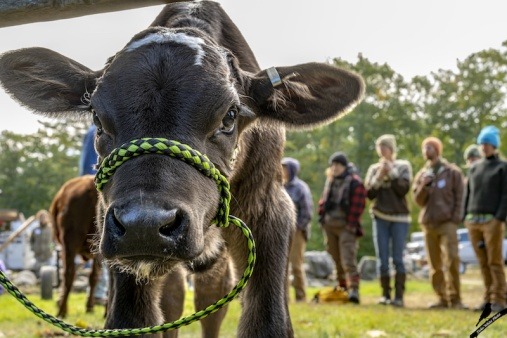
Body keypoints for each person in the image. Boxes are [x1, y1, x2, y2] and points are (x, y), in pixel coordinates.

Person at [412, 137, 466, 309]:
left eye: (430, 147)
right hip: (428, 223)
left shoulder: (452, 172)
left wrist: (456, 218)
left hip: (447, 222)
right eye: (424, 148)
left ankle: (455, 299)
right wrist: (424, 186)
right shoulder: (422, 174)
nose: (426, 150)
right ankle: (441, 298)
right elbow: (418, 201)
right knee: (435, 264)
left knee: (452, 260)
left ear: (437, 150)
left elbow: (460, 196)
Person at [364, 134, 412, 307]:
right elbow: (369, 193)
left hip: (400, 218)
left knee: (397, 258)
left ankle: (399, 296)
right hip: (380, 216)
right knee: (382, 258)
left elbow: (403, 190)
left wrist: (390, 172)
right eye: (379, 147)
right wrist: (379, 175)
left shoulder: (404, 166)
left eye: (384, 147)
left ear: (391, 149)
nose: (382, 151)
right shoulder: (373, 168)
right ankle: (385, 295)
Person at [463, 126, 507, 313]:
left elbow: (505, 195)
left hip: (492, 221)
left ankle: (499, 299)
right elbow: (468, 193)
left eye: (488, 143)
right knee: (482, 261)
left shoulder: (502, 167)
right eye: (482, 143)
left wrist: (499, 218)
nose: (484, 147)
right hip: (473, 221)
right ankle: (488, 299)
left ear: (494, 145)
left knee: (494, 261)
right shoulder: (474, 168)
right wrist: (465, 216)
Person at [318, 152, 366, 303]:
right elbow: (323, 201)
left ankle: (354, 290)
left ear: (344, 166)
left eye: (338, 165)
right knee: (335, 258)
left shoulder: (354, 182)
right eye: (332, 165)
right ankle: (343, 287)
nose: (334, 168)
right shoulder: (330, 181)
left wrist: (351, 225)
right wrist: (322, 218)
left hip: (346, 226)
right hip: (330, 225)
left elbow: (359, 206)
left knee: (348, 259)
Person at [79, 124, 109, 305]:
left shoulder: (92, 131)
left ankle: (97, 291)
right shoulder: (98, 130)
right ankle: (100, 292)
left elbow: (83, 164)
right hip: (103, 182)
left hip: (88, 179)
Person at [282, 157, 313, 302]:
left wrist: (297, 228)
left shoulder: (301, 188)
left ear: (292, 170)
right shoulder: (279, 186)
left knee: (296, 265)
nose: (282, 170)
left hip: (297, 232)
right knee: (282, 267)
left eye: (285, 167)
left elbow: (307, 212)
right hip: (281, 232)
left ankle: (301, 297)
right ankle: (284, 299)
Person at [30, 210, 54, 276]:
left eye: (45, 217)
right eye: (41, 217)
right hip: (38, 255)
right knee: (37, 270)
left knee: (48, 272)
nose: (43, 219)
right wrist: (33, 248)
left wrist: (51, 249)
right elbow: (31, 240)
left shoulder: (51, 229)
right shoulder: (35, 229)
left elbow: (53, 241)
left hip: (48, 255)